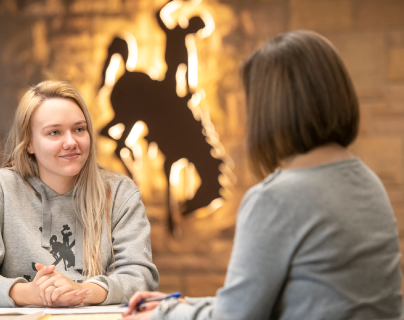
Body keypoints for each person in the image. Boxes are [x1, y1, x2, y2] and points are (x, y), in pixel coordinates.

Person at [122, 30, 403, 320]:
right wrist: (177, 306)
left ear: (270, 109)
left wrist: (162, 315)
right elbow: (255, 303)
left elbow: (234, 317)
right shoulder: (369, 183)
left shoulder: (276, 198)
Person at [0, 80, 159, 307]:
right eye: (54, 132)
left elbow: (141, 277)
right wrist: (29, 293)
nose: (71, 142)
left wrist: (82, 291)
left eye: (79, 129)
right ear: (29, 144)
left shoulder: (121, 192)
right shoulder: (0, 189)